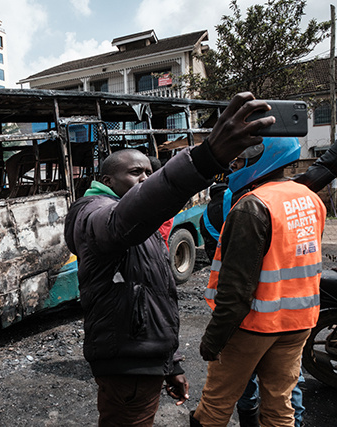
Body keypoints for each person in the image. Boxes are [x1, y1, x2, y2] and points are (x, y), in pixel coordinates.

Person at [63, 92, 275, 426]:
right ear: (106, 182)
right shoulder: (93, 214)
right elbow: (122, 219)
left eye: (150, 171)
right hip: (127, 367)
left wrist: (172, 364)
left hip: (148, 362)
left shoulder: (143, 226)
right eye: (135, 173)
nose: (145, 179)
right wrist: (204, 159)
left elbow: (157, 297)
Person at [192, 137, 326, 427]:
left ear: (261, 158)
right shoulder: (310, 198)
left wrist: (213, 340)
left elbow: (236, 288)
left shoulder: (251, 206)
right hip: (299, 322)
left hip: (253, 325)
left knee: (216, 405)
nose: (234, 166)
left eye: (239, 161)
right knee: (280, 405)